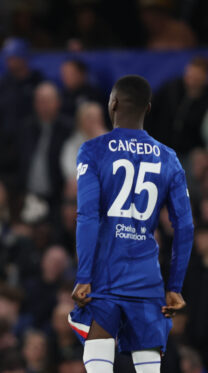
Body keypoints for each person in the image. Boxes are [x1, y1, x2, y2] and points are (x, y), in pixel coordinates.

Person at [69, 75, 194, 373]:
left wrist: (84, 274)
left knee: (98, 344)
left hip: (106, 270)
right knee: (148, 360)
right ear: (147, 108)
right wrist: (175, 286)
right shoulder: (169, 158)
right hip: (146, 275)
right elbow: (185, 226)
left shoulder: (93, 150)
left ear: (112, 104)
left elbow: (87, 216)